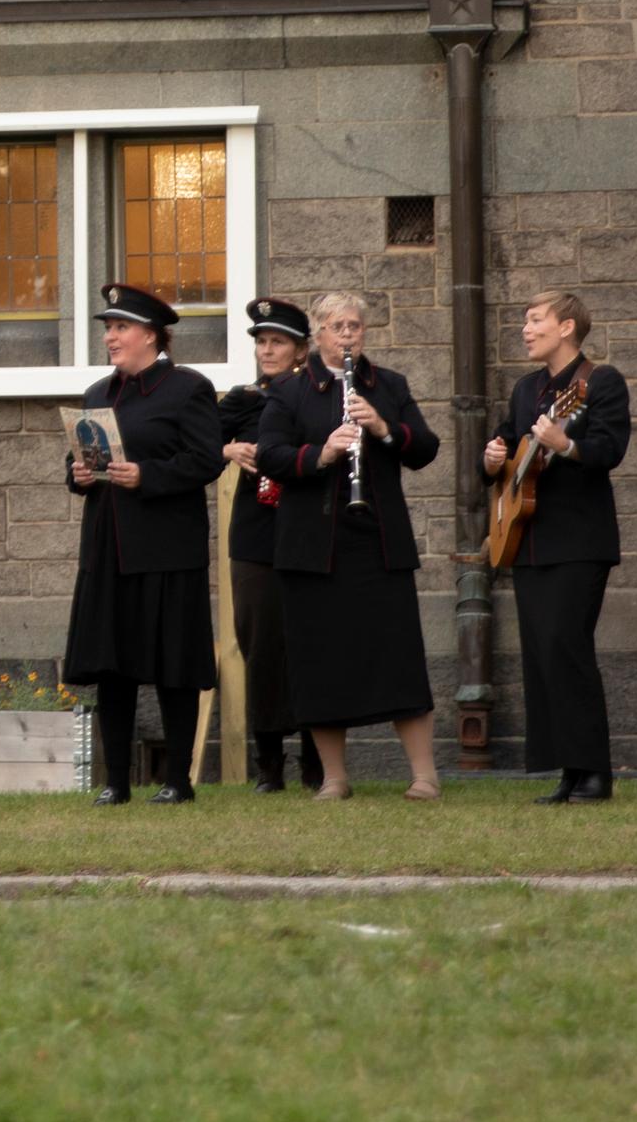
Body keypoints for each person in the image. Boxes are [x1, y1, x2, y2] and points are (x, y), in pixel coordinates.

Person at [256, 291, 444, 800]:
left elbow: (425, 448)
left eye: (355, 326)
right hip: (313, 547)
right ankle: (335, 778)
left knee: (399, 656)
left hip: (378, 541)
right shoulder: (289, 393)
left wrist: (385, 428)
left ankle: (424, 776)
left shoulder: (389, 385)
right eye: (337, 327)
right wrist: (321, 453)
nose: (347, 335)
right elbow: (270, 453)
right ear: (316, 335)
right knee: (320, 661)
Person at [62, 282, 226, 805]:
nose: (111, 337)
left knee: (172, 662)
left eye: (120, 328)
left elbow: (206, 459)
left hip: (165, 549)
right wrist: (78, 476)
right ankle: (115, 783)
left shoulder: (187, 388)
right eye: (109, 329)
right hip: (108, 548)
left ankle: (177, 780)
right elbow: (80, 461)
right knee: (114, 664)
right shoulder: (97, 394)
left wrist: (146, 475)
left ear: (151, 336)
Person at [483, 290, 631, 804]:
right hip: (528, 540)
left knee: (568, 649)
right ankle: (567, 772)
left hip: (578, 540)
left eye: (535, 320)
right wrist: (493, 455)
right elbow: (505, 452)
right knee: (542, 657)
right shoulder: (526, 389)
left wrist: (565, 445)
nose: (525, 329)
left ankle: (594, 773)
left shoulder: (600, 381)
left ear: (566, 327)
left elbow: (610, 449)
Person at [219, 296, 317, 792]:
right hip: (256, 537)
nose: (267, 349)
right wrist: (227, 447)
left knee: (311, 642)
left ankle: (318, 762)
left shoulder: (316, 396)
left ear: (301, 348)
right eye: (261, 341)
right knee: (260, 645)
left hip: (307, 530)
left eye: (277, 341)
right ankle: (270, 764)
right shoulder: (243, 400)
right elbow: (196, 448)